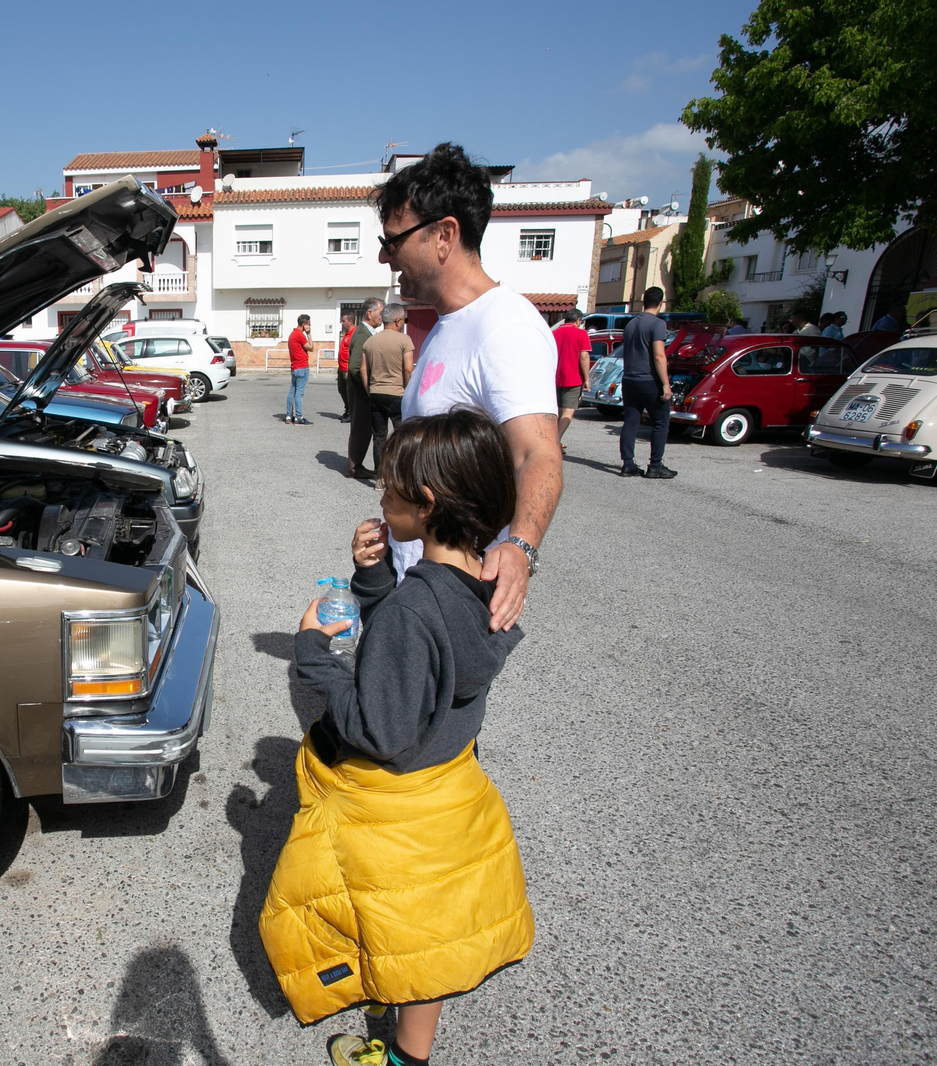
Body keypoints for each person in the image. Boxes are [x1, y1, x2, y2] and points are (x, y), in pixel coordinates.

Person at [261, 410, 535, 1066]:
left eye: (388, 488)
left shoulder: (418, 609)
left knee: (406, 931)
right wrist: (375, 581)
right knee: (428, 932)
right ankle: (405, 1028)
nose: (380, 498)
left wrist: (313, 651)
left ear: (426, 503)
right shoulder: (482, 583)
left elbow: (379, 725)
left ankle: (401, 1059)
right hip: (447, 793)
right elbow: (421, 663)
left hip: (398, 805)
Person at [371, 142, 563, 633]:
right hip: (418, 584)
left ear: (444, 235)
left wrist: (519, 548)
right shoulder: (443, 326)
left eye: (393, 241)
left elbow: (537, 455)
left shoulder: (505, 326)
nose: (384, 257)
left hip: (452, 599)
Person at [618, 286, 676, 480]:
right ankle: (655, 466)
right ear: (661, 303)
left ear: (643, 301)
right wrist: (666, 384)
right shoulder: (657, 324)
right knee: (660, 422)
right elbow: (659, 355)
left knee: (631, 422)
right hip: (649, 379)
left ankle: (628, 464)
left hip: (629, 379)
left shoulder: (631, 324)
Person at [361, 302, 416, 467]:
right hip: (397, 393)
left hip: (377, 393)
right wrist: (408, 390)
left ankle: (380, 475)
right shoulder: (405, 340)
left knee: (379, 436)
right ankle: (399, 473)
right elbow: (408, 369)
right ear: (398, 321)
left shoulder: (370, 342)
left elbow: (363, 370)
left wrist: (369, 391)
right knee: (402, 435)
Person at [345, 298, 385, 478]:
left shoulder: (366, 332)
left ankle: (356, 465)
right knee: (361, 428)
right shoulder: (363, 334)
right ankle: (354, 467)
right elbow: (355, 367)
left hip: (360, 389)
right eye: (380, 313)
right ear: (370, 313)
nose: (382, 318)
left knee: (362, 428)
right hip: (360, 391)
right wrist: (368, 387)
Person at [551, 308, 592, 451]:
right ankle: (555, 441)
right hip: (573, 377)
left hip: (554, 376)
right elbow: (584, 356)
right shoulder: (581, 333)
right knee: (568, 411)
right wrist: (587, 379)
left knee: (556, 411)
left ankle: (553, 439)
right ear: (578, 320)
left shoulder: (554, 333)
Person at [285, 314, 313, 425]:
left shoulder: (292, 334)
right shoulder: (299, 335)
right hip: (302, 367)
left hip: (294, 367)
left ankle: (288, 415)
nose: (310, 327)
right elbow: (311, 347)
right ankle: (299, 417)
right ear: (304, 324)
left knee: (292, 391)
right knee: (299, 393)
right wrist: (309, 334)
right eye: (309, 324)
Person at [336, 310, 356, 421]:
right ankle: (347, 410)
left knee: (350, 392)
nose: (342, 323)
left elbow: (354, 353)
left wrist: (349, 369)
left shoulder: (354, 334)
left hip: (348, 369)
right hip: (341, 367)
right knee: (342, 390)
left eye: (343, 321)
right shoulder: (347, 334)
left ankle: (351, 414)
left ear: (350, 321)